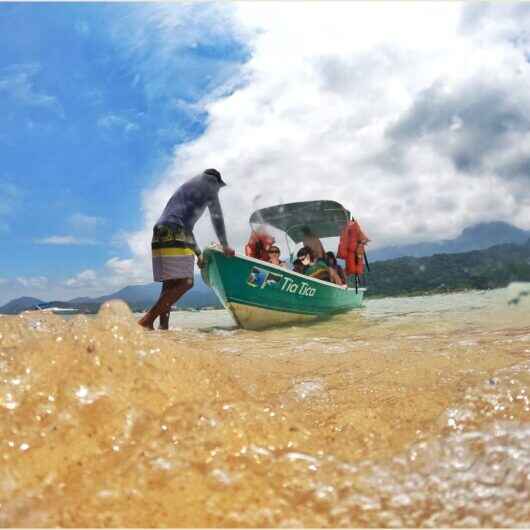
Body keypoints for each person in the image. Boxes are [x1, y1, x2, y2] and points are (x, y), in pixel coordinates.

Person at [138, 168, 234, 330]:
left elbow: (188, 231)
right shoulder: (209, 182)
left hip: (162, 230)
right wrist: (224, 244)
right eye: (219, 187)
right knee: (186, 282)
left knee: (169, 287)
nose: (218, 191)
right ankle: (146, 320)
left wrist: (198, 254)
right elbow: (216, 215)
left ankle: (163, 329)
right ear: (217, 181)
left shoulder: (189, 189)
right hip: (176, 230)